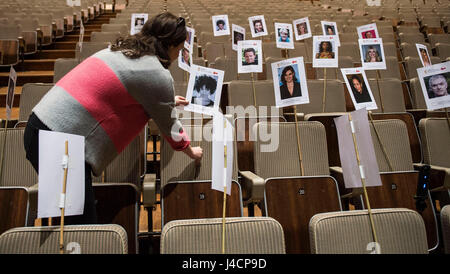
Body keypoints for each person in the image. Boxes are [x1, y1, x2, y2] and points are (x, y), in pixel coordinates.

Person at [23, 12, 203, 225]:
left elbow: (126, 89)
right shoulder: (157, 73)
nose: (179, 55)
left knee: (65, 220)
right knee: (79, 228)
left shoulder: (120, 51)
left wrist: (167, 99)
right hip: (60, 142)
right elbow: (171, 127)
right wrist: (191, 151)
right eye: (180, 50)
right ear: (171, 46)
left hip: (41, 127)